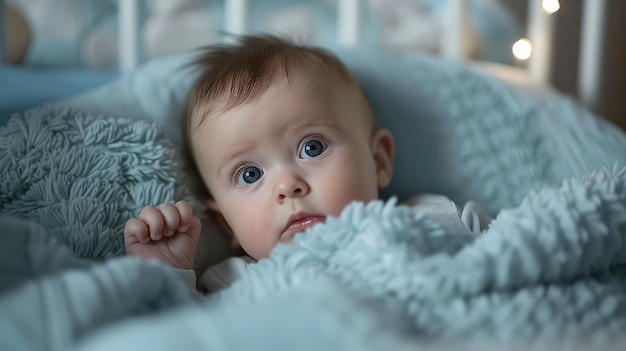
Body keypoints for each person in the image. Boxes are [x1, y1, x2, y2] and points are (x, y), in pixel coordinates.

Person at [124, 35, 491, 293]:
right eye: (250, 174)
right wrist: (166, 275)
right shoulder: (233, 284)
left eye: (312, 147)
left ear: (377, 160)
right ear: (224, 222)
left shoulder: (435, 220)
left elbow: (524, 253)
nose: (288, 185)